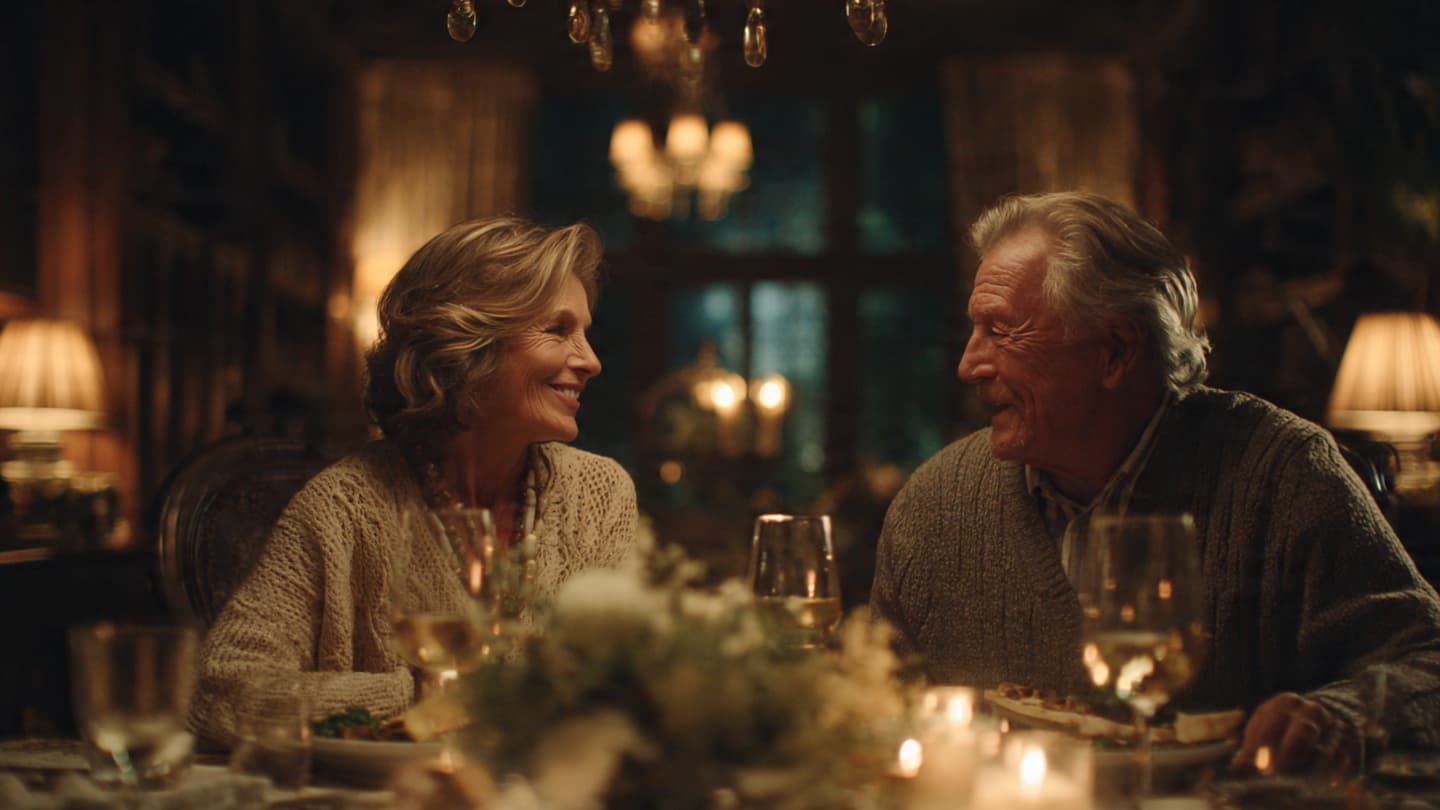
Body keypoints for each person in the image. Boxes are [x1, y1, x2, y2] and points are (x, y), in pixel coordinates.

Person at [870, 191, 1440, 775]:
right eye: (975, 330)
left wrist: (1340, 716)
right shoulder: (935, 508)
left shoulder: (1284, 478)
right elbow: (865, 712)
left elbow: (1427, 661)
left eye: (1002, 331)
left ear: (1116, 351)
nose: (969, 365)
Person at [191, 218, 638, 744]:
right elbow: (222, 693)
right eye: (558, 330)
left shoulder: (600, 494)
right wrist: (425, 694)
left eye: (585, 333)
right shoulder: (344, 506)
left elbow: (623, 687)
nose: (591, 361)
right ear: (467, 345)